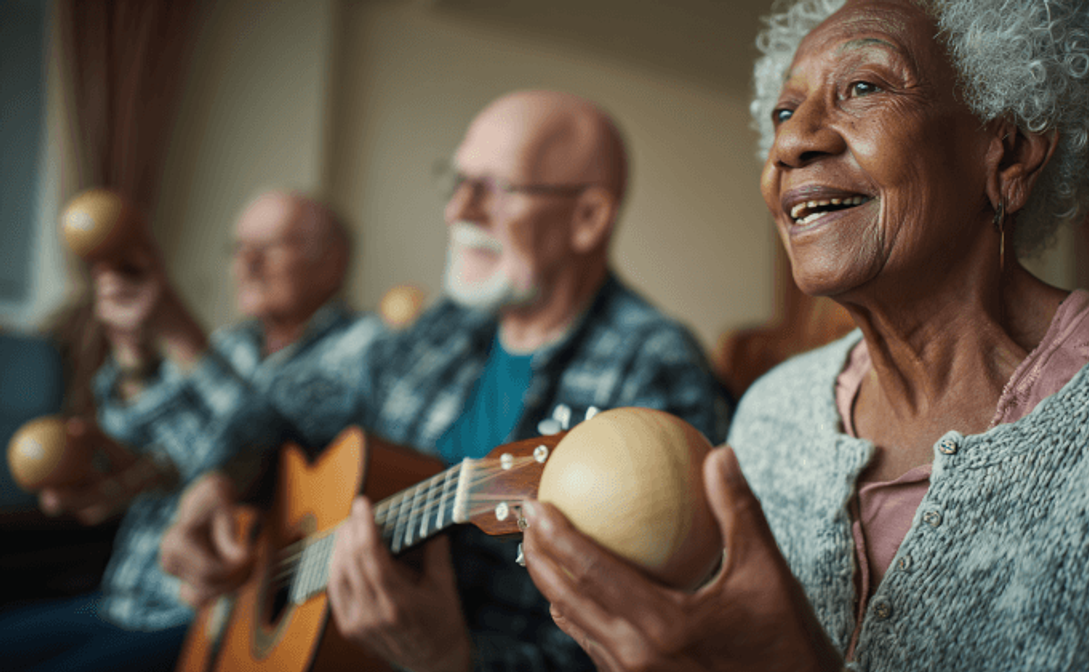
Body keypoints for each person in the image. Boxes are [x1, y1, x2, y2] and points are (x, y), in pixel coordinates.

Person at [522, 0, 1089, 670]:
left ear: (1009, 152)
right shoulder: (770, 414)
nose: (791, 143)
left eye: (864, 88)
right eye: (784, 113)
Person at [146, 90, 730, 672]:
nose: (457, 211)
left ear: (588, 218)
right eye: (457, 181)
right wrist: (216, 483)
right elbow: (281, 399)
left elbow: (665, 648)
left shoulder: (653, 368)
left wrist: (454, 661)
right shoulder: (443, 329)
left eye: (494, 190)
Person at [0, 190, 369, 672]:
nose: (247, 263)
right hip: (124, 594)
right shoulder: (229, 346)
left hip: (210, 619)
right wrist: (133, 350)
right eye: (239, 248)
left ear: (332, 261)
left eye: (271, 246)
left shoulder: (363, 351)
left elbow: (267, 446)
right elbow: (147, 451)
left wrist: (176, 330)